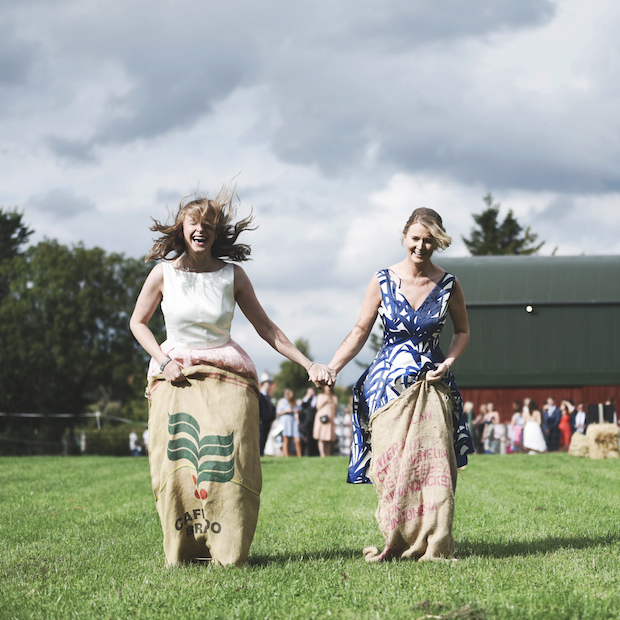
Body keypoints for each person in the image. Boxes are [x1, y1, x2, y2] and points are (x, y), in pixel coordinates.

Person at [129, 185, 334, 566]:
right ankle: (184, 549)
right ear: (181, 228)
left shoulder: (232, 275)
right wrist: (162, 361)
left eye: (208, 224)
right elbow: (138, 323)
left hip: (227, 372)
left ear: (217, 232)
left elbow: (267, 329)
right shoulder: (162, 275)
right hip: (176, 374)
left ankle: (227, 549)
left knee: (228, 461)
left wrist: (309, 364)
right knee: (178, 462)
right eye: (194, 223)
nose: (201, 230)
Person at [327, 207, 474, 483]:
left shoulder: (449, 284)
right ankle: (396, 521)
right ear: (404, 237)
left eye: (428, 240)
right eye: (415, 238)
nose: (421, 246)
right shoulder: (382, 280)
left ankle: (434, 521)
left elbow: (462, 332)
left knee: (434, 463)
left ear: (437, 242)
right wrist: (333, 368)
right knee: (393, 467)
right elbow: (360, 330)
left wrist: (447, 363)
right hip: (387, 386)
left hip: (432, 381)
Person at [276, 388, 302, 457]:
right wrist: (287, 411)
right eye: (290, 394)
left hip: (293, 421)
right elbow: (278, 412)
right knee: (286, 439)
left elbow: (300, 409)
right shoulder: (282, 401)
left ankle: (299, 456)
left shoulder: (294, 402)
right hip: (285, 421)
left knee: (297, 439)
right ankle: (286, 456)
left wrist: (297, 410)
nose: (292, 395)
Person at [313, 385, 338, 457]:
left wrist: (332, 401)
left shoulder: (334, 397)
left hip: (330, 418)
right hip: (321, 418)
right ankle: (322, 454)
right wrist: (325, 400)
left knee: (328, 437)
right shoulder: (320, 396)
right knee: (321, 437)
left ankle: (328, 454)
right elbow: (318, 406)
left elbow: (335, 408)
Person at [258, 373, 276, 456]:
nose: (268, 387)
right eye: (267, 385)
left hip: (268, 421)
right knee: (260, 438)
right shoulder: (260, 396)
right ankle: (259, 454)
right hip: (262, 421)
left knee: (264, 438)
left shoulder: (268, 397)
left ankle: (261, 453)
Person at [299, 387, 319, 456]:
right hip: (308, 422)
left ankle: (316, 453)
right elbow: (302, 407)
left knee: (316, 438)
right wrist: (307, 396)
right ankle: (309, 453)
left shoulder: (318, 398)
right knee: (308, 438)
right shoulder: (307, 400)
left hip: (316, 421)